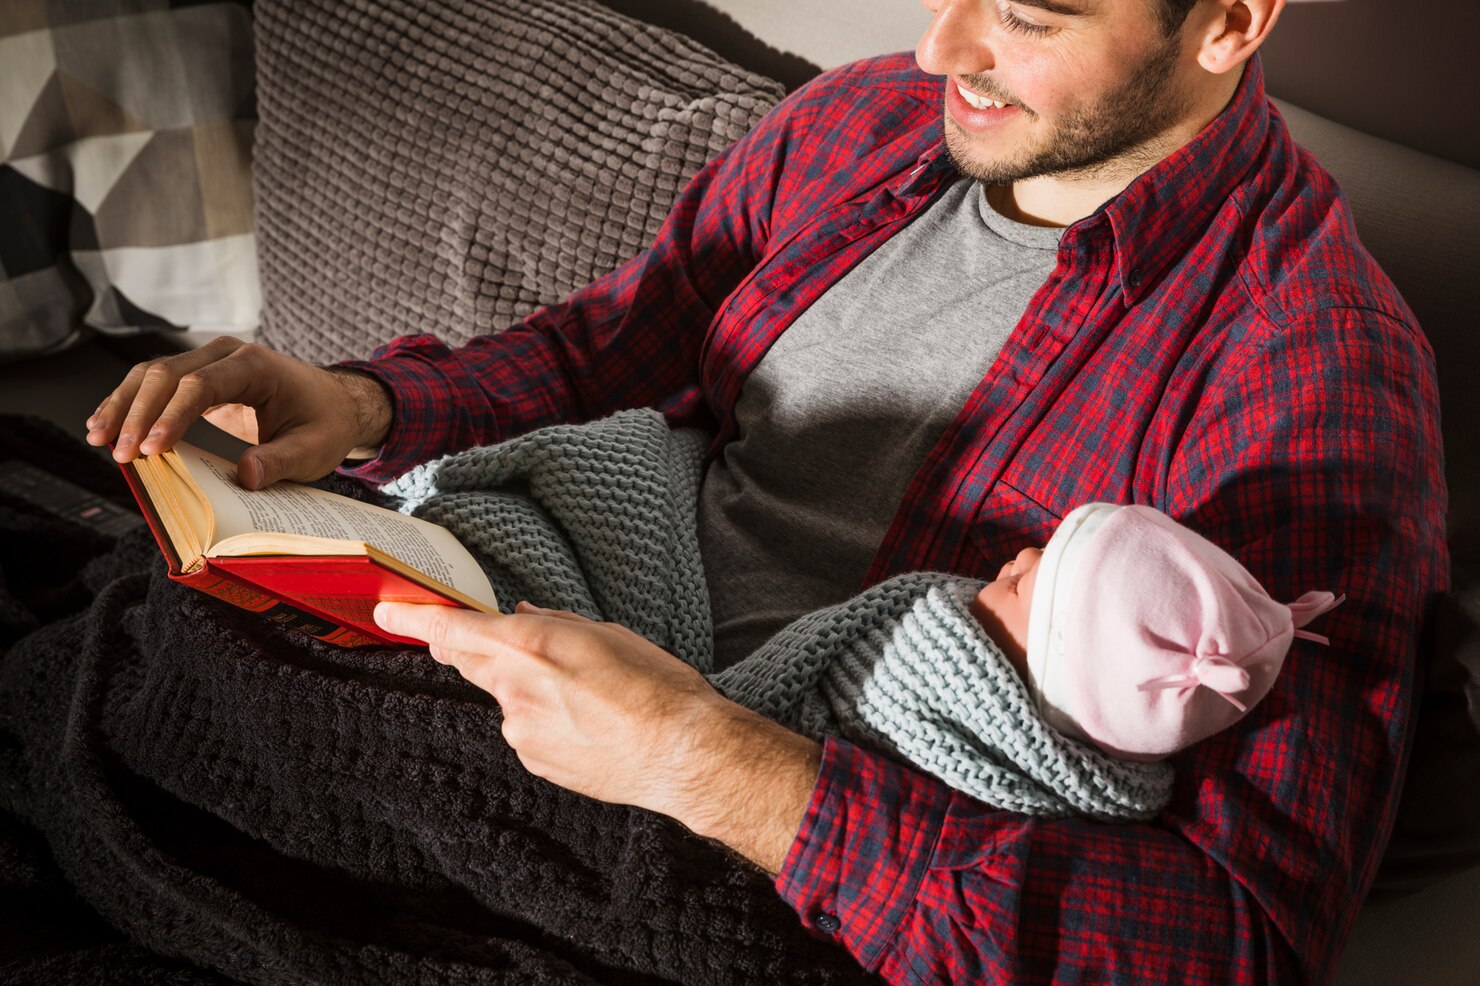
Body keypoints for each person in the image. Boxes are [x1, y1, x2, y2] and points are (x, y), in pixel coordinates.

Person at [83, 0, 1449, 981]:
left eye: (1027, 16)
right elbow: (610, 343)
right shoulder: (857, 128)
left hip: (744, 842)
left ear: (1230, 22)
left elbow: (1236, 935)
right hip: (561, 628)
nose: (941, 49)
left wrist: (700, 760)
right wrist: (366, 407)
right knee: (152, 645)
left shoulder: (1308, 370)